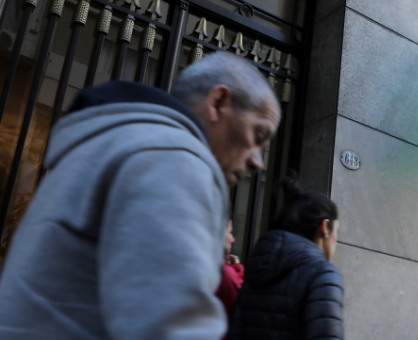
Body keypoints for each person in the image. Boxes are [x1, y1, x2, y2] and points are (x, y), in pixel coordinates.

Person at [0, 52, 280, 340]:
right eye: (258, 135)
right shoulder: (174, 158)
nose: (257, 162)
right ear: (218, 102)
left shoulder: (115, 147)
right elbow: (171, 327)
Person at [228, 172, 344, 340]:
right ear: (325, 227)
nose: (336, 239)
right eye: (337, 231)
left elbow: (236, 331)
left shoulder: (258, 267)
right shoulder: (323, 274)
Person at [216, 214, 244, 319]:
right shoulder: (226, 273)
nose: (232, 239)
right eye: (229, 232)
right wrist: (237, 269)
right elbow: (238, 306)